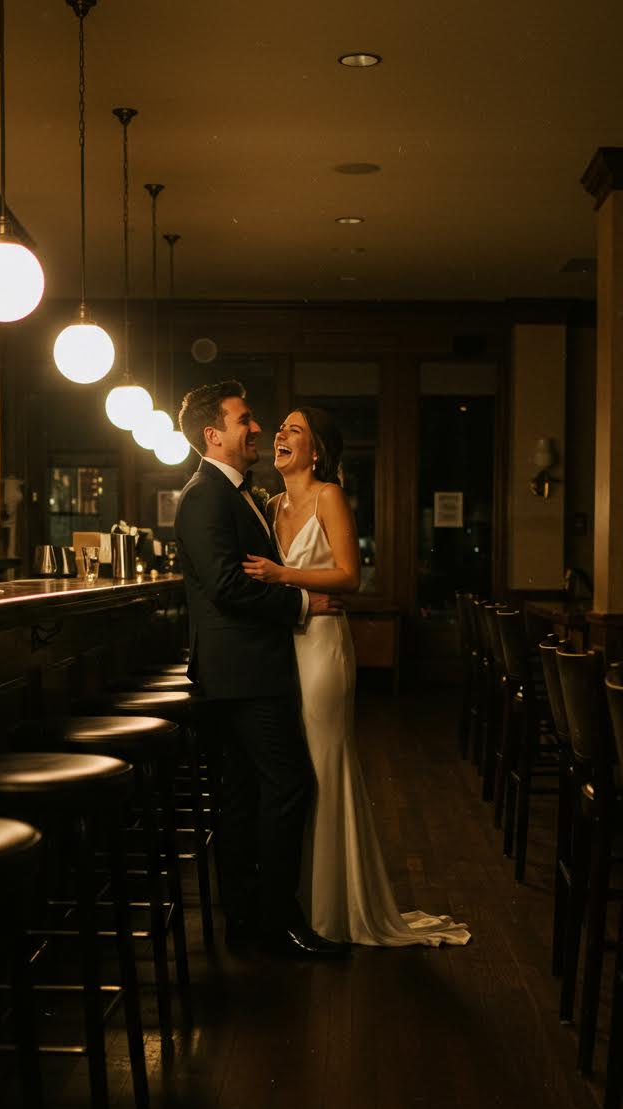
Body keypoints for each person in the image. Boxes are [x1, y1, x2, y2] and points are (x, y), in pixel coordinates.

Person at [242, 406, 470, 947]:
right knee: (292, 769)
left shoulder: (329, 496)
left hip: (322, 646)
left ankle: (334, 907)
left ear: (316, 450)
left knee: (324, 763)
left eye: (295, 430)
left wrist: (282, 574)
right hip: (284, 646)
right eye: (281, 428)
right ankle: (296, 899)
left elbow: (350, 576)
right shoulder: (270, 505)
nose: (280, 434)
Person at [175, 381, 348, 958]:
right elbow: (228, 587)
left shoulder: (242, 493)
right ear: (213, 434)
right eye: (244, 420)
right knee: (287, 783)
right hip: (243, 671)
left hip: (249, 666)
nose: (257, 428)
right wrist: (303, 603)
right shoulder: (205, 496)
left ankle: (247, 917)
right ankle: (278, 918)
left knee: (245, 793)